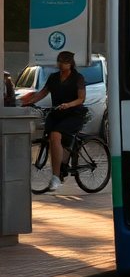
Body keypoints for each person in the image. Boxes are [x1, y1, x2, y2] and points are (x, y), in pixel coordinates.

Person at [18, 51, 87, 193]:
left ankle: (55, 177)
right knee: (51, 137)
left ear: (70, 63)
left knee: (56, 135)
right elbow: (43, 93)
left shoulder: (77, 78)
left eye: (64, 62)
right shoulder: (54, 78)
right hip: (57, 113)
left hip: (73, 114)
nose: (61, 64)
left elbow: (81, 99)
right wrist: (29, 102)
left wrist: (69, 104)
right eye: (59, 61)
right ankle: (61, 165)